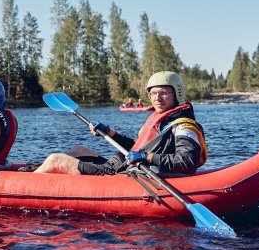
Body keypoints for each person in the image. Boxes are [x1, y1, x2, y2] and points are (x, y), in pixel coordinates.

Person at [34, 71, 208, 175]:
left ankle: (28, 184)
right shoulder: (158, 119)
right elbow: (136, 147)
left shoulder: (183, 126)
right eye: (153, 94)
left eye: (163, 93)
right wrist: (109, 132)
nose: (157, 98)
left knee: (55, 159)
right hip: (120, 163)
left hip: (122, 173)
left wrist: (146, 157)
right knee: (78, 150)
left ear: (177, 94)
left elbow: (187, 160)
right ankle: (31, 170)